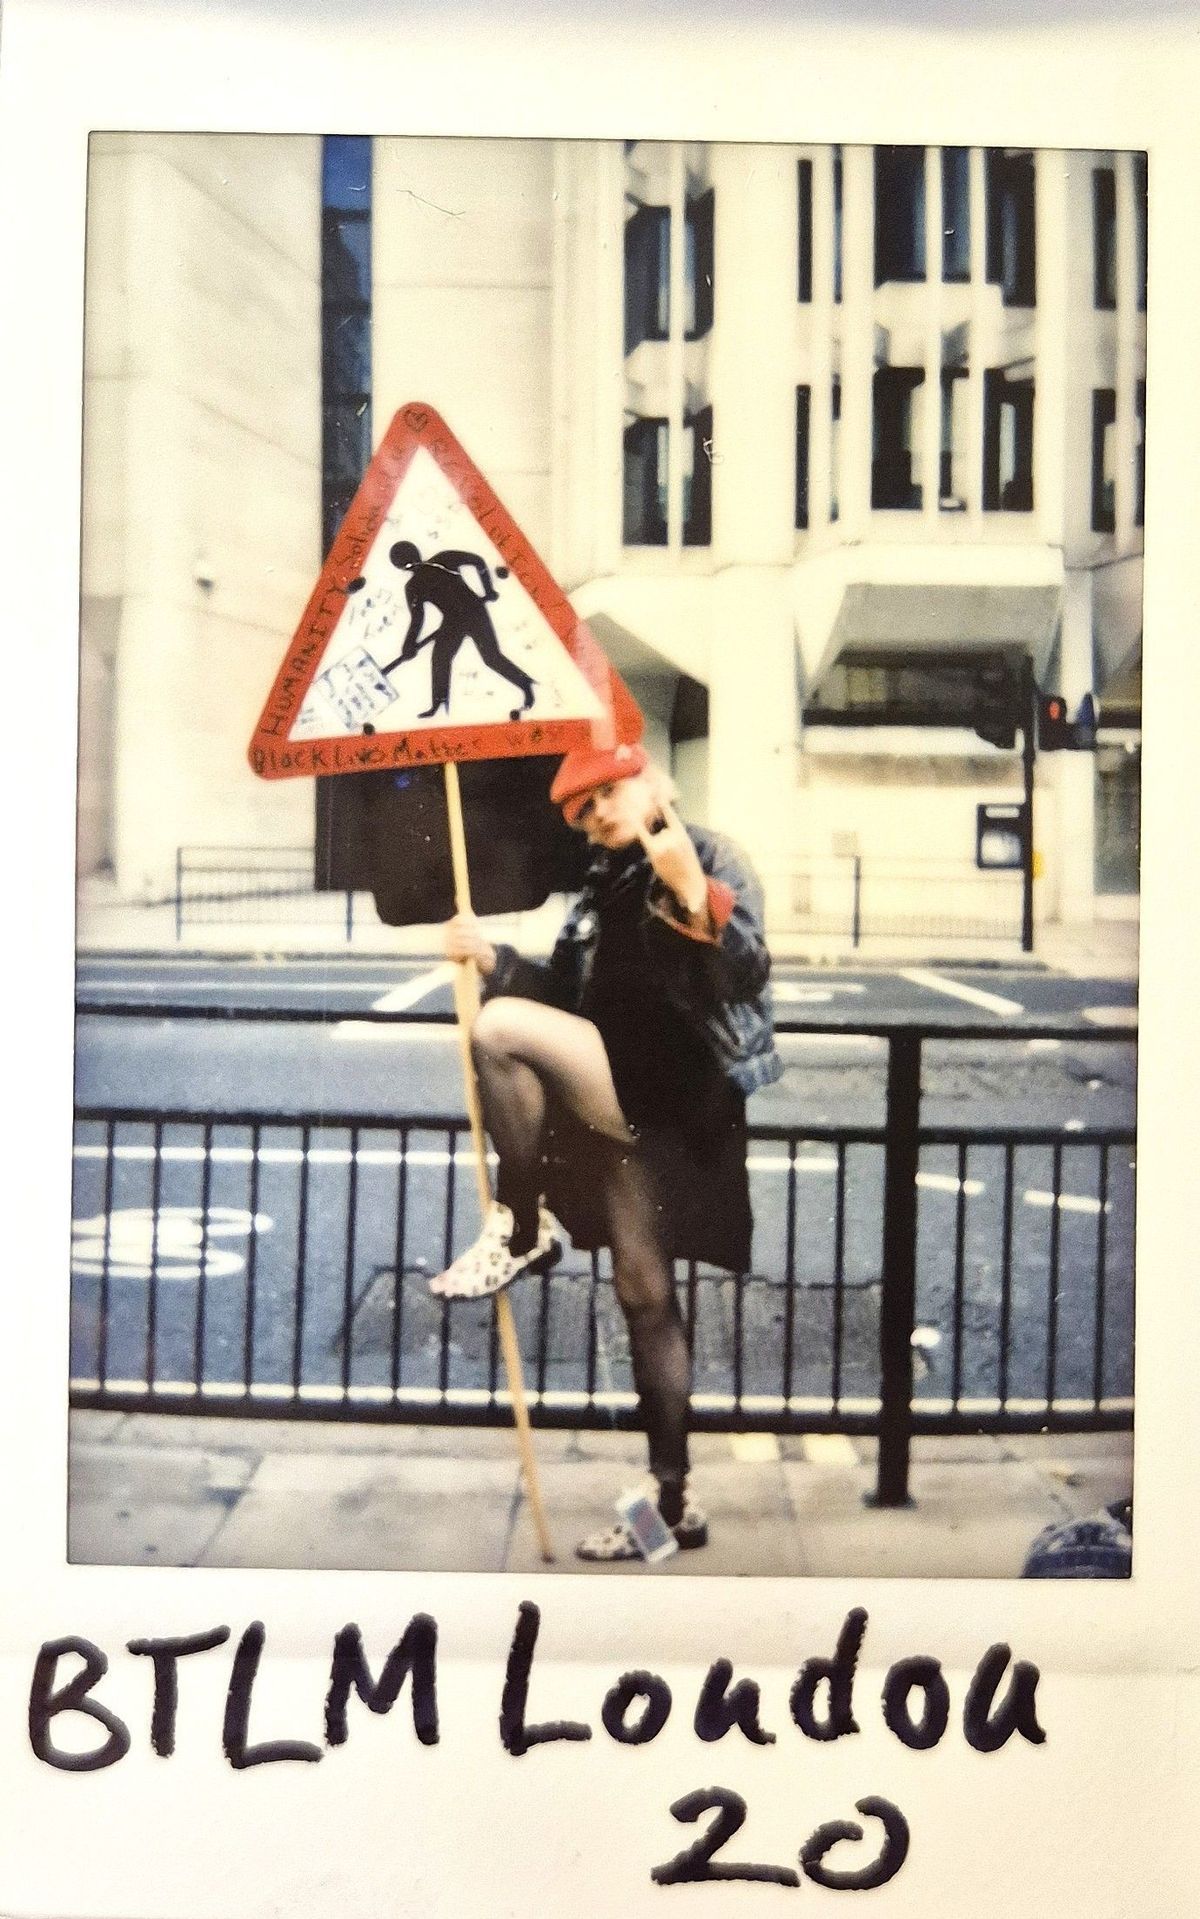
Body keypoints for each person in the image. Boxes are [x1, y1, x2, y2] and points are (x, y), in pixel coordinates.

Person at [428, 740, 782, 1561]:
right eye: (582, 810)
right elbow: (565, 995)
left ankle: (523, 1230)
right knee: (506, 1023)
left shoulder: (716, 854)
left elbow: (749, 974)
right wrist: (495, 958)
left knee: (644, 1292)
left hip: (681, 1102)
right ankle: (673, 1503)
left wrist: (693, 890)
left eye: (608, 793)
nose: (598, 814)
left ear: (653, 777)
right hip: (616, 1100)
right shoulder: (599, 884)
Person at [379, 540, 536, 719]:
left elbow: (417, 619)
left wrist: (409, 644)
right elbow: (478, 561)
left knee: (489, 657)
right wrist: (488, 589)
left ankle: (526, 684)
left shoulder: (427, 574)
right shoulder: (431, 570)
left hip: (473, 613)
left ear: (400, 567)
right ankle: (439, 705)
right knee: (442, 658)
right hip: (457, 619)